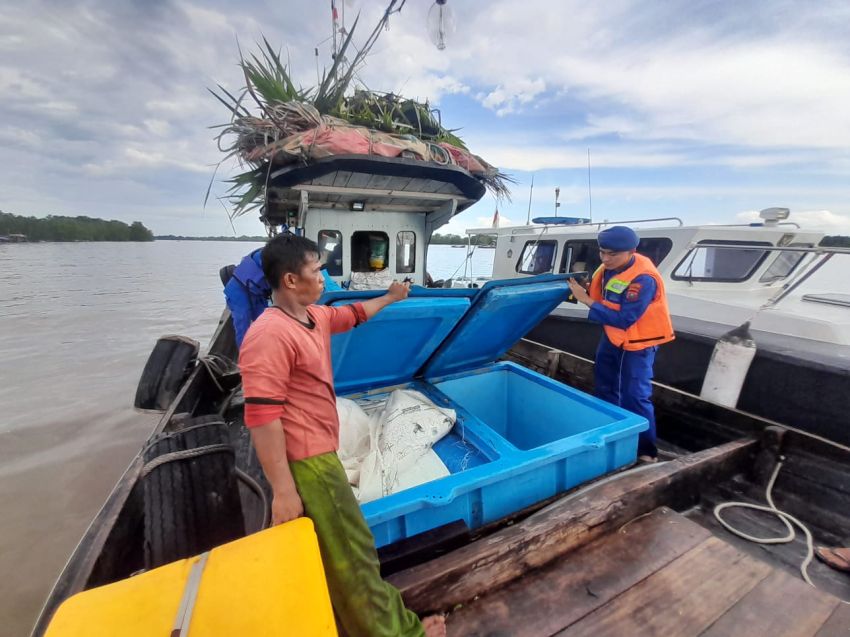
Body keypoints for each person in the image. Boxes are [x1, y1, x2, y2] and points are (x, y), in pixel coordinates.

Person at [239, 233, 445, 637]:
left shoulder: (312, 316)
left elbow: (352, 314)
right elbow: (262, 419)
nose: (324, 277)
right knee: (354, 554)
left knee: (337, 552)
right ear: (290, 280)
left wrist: (391, 297)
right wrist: (283, 489)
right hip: (309, 463)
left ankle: (353, 624)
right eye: (316, 270)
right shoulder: (269, 336)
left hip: (321, 452)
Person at [567, 225, 675, 462]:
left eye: (613, 254)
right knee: (605, 387)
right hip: (612, 337)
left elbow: (626, 318)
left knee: (635, 396)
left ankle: (646, 451)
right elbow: (606, 298)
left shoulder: (643, 279)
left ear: (631, 251)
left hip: (637, 343)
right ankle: (612, 436)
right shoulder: (607, 269)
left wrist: (585, 300)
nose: (606, 259)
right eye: (602, 252)